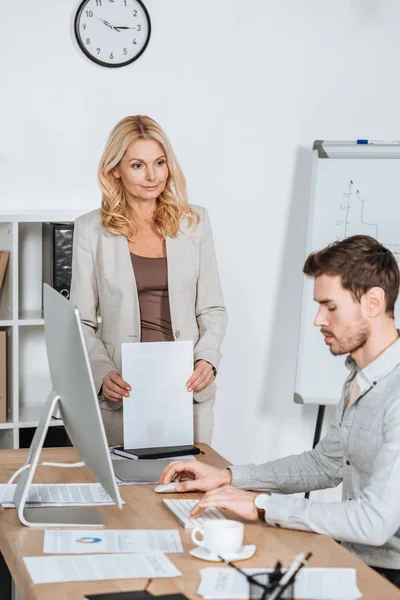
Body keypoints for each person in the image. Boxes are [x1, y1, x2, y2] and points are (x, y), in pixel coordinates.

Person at [159, 235, 400, 586]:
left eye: (330, 307)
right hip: (354, 558)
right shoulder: (358, 378)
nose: (318, 319)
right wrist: (228, 477)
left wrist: (262, 505)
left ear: (373, 302)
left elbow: (374, 522)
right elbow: (325, 464)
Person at [70, 115, 227, 446]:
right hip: (124, 387)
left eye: (159, 162)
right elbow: (80, 321)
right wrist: (102, 374)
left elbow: (212, 308)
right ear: (115, 169)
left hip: (187, 386)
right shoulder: (90, 230)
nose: (152, 175)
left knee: (190, 490)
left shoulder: (194, 223)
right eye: (138, 165)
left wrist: (208, 359)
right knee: (127, 493)